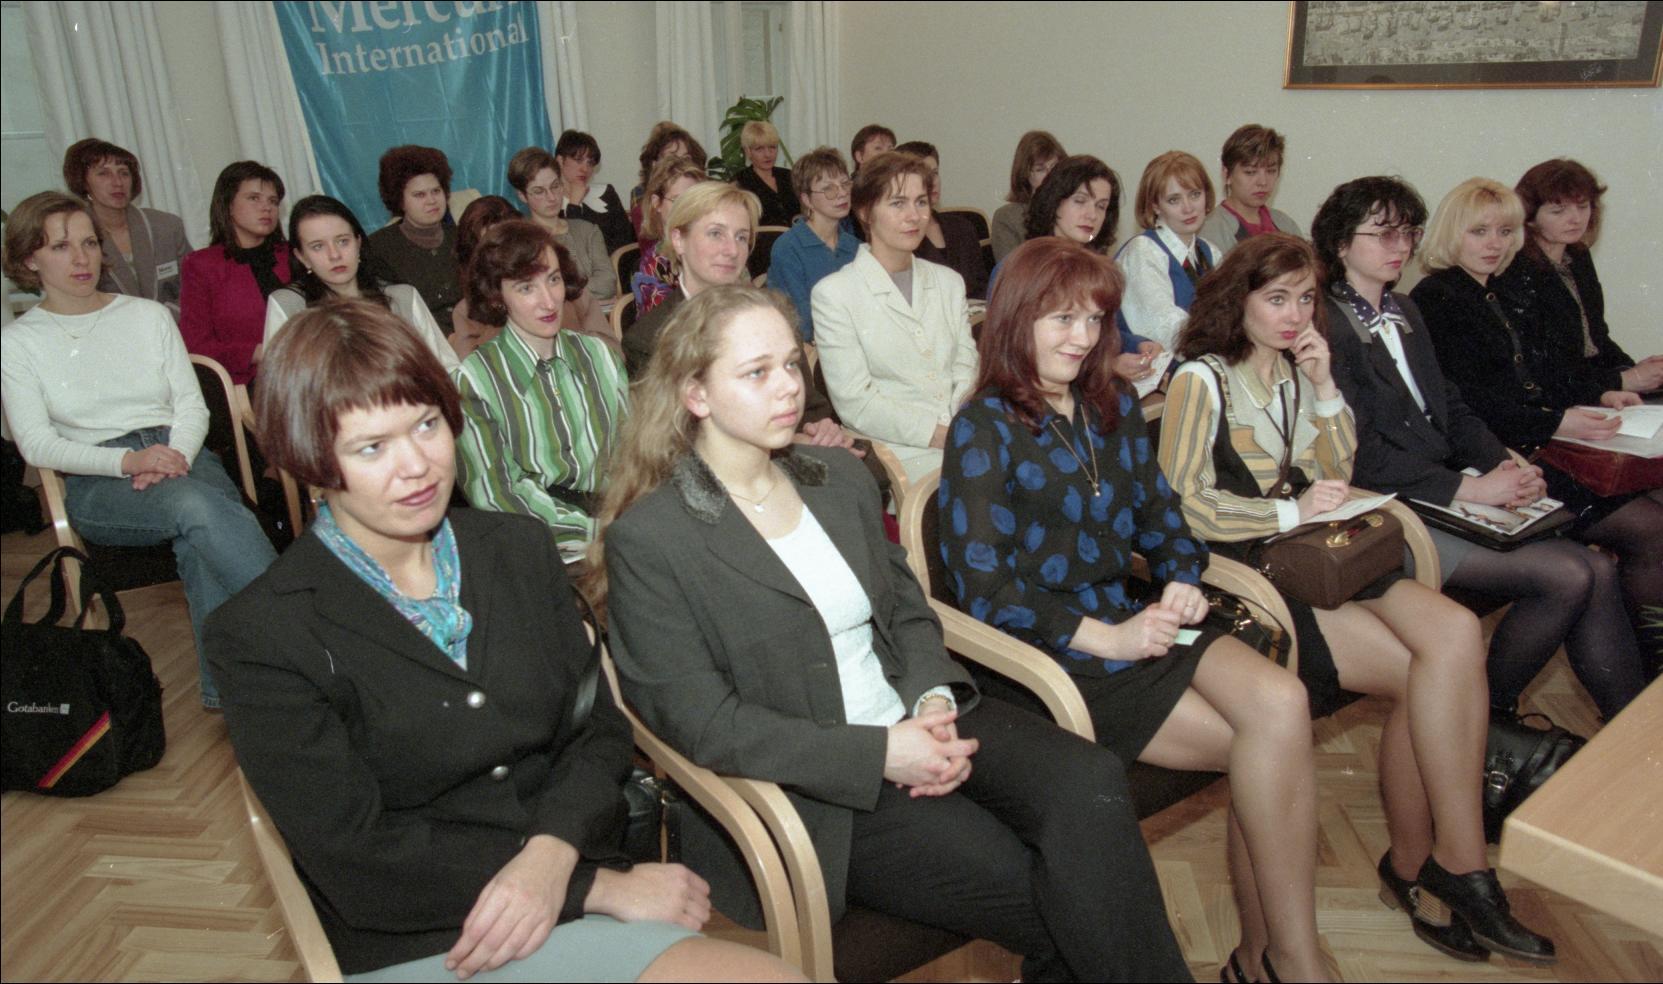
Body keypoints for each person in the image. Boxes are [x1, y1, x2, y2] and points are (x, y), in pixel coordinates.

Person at [590, 284, 1191, 982]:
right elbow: (703, 723)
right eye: (756, 372)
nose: (788, 387)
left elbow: (906, 610)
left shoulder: (837, 480)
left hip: (918, 712)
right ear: (695, 394)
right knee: (1051, 888)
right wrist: (880, 752)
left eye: (791, 364)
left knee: (1091, 780)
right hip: (822, 780)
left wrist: (932, 698)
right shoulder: (653, 539)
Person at [205, 297, 796, 982]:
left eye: (426, 424)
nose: (417, 465)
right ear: (312, 462)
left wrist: (551, 859)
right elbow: (354, 855)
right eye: (371, 447)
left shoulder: (516, 549)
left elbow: (597, 731)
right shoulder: (262, 633)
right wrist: (592, 888)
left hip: (570, 872)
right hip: (425, 931)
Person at [1158, 232, 1556, 965]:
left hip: (1317, 554)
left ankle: (1458, 862)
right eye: (1276, 299)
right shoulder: (1200, 380)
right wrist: (1288, 511)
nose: (1293, 315)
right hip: (1251, 566)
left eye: (1305, 299)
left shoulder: (1292, 369)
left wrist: (1323, 389)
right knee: (1421, 674)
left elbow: (1335, 469)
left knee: (1453, 635)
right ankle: (1424, 868)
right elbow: (1182, 504)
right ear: (1238, 300)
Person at [940, 237, 1330, 983]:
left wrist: (1181, 577)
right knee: (1270, 752)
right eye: (1061, 319)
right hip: (1052, 651)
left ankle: (1280, 955)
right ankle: (1280, 961)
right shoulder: (983, 426)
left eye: (1094, 319)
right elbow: (986, 589)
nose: (1081, 336)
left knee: (1283, 705)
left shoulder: (1110, 407)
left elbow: (1164, 520)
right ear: (1016, 320)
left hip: (1138, 616)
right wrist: (1108, 639)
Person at [1315, 176, 1643, 721]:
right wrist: (1470, 488)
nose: (1401, 247)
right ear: (1341, 243)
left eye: (1408, 233)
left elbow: (1451, 403)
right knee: (1570, 575)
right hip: (1386, 508)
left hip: (1440, 488)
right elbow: (1360, 456)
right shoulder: (1327, 327)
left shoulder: (1403, 310)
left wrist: (1502, 461)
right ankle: (1485, 715)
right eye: (1383, 234)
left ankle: (1628, 729)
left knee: (1597, 570)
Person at [2, 191, 276, 710]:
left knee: (200, 535)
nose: (81, 258)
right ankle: (308, 626)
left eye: (89, 243)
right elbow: (36, 444)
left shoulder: (148, 315)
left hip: (181, 452)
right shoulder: (17, 343)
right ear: (28, 259)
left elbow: (191, 404)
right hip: (101, 478)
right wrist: (129, 462)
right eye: (60, 246)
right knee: (198, 506)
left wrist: (174, 455)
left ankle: (233, 696)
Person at [1412, 178, 1663, 661]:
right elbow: (1470, 405)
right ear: (1450, 233)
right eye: (1479, 231)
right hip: (1499, 461)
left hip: (1536, 447)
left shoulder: (1494, 289)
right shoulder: (1437, 297)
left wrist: (1600, 393)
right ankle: (1650, 675)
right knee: (1648, 531)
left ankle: (1643, 682)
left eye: (1505, 232)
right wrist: (1557, 424)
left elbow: (1542, 376)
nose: (1495, 244)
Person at [620, 182, 851, 455]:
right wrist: (791, 440)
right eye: (716, 233)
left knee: (862, 470)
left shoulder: (773, 315)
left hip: (800, 450)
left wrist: (821, 427)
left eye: (741, 237)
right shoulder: (648, 339)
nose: (732, 250)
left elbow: (811, 407)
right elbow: (677, 440)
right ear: (679, 240)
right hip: (715, 469)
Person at [452, 220, 628, 566]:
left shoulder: (599, 356)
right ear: (497, 297)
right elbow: (497, 497)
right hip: (542, 548)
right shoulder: (473, 382)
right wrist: (604, 534)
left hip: (622, 523)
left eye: (553, 279)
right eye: (526, 288)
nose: (548, 301)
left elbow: (635, 454)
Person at [811, 152, 977, 481]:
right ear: (865, 212)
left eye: (921, 202)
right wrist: (940, 435)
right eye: (898, 203)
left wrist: (963, 423)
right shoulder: (835, 294)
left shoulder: (948, 282)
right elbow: (856, 403)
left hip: (964, 433)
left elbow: (966, 364)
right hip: (897, 452)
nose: (914, 216)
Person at [1496, 159, 1662, 398]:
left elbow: (1597, 338)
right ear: (1529, 217)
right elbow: (1543, 368)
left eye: (1583, 207)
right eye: (1558, 211)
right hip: (1558, 396)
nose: (1575, 219)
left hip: (1590, 384)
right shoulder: (1515, 270)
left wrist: (1636, 369)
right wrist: (1624, 379)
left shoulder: (1578, 256)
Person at [995, 156, 1162, 386]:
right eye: (1080, 201)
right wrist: (1108, 368)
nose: (1092, 215)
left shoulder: (1098, 269)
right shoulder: (1020, 269)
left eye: (1101, 206)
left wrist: (1138, 344)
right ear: (1054, 202)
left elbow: (1109, 332)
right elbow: (1014, 355)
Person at [264, 195, 458, 372]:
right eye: (318, 246)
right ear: (301, 256)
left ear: (358, 243)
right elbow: (280, 388)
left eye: (343, 241)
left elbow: (446, 369)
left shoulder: (402, 297)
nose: (334, 255)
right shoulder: (288, 305)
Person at [179, 161, 295, 385]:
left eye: (273, 201)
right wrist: (257, 352)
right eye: (254, 198)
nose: (267, 208)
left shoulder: (293, 254)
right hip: (246, 384)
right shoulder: (202, 265)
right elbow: (196, 346)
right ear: (228, 205)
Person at [61, 138, 190, 315]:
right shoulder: (73, 236)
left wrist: (162, 318)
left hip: (172, 323)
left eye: (124, 173)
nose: (117, 182)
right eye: (103, 174)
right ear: (83, 182)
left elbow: (195, 287)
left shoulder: (166, 226)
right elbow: (74, 300)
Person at [1116, 151, 1223, 350]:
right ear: (1155, 206)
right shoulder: (1143, 252)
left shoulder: (1210, 252)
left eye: (1195, 194)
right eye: (1174, 200)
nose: (1188, 208)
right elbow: (1167, 331)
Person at [507, 146, 618, 316]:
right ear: (522, 196)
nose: (551, 197)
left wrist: (561, 294)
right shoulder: (518, 240)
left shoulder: (587, 230)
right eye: (539, 191)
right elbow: (531, 295)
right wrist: (585, 299)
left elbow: (607, 284)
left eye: (555, 186)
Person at [363, 145, 463, 329]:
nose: (431, 201)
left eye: (436, 191)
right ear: (400, 201)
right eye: (419, 195)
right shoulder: (378, 248)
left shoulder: (463, 237)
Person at [768, 147, 860, 342]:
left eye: (845, 183)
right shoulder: (788, 248)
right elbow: (798, 320)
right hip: (810, 347)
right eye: (829, 188)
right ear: (807, 199)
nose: (842, 193)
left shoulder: (855, 247)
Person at [895, 141, 988, 299]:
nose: (933, 181)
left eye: (935, 173)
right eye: (924, 175)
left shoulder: (962, 227)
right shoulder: (899, 234)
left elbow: (982, 287)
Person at [1198, 125, 1304, 255]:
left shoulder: (1286, 225)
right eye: (1250, 172)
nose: (1263, 182)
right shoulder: (1211, 231)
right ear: (1227, 175)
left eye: (1271, 171)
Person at [449, 195, 521, 360]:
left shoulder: (550, 287)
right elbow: (472, 369)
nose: (501, 254)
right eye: (490, 248)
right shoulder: (467, 310)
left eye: (507, 242)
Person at [633, 156, 706, 315]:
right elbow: (668, 326)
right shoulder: (653, 265)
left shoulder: (719, 248)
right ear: (657, 203)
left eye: (693, 200)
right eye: (677, 199)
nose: (687, 208)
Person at [555, 129, 636, 256]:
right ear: (560, 161)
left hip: (614, 265)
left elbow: (626, 243)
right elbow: (571, 250)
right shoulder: (551, 203)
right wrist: (574, 205)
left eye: (590, 163)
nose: (585, 169)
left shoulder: (606, 193)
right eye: (578, 160)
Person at [991, 130, 1066, 263]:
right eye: (1040, 169)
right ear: (1025, 175)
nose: (1050, 175)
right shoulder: (1008, 217)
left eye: (1055, 167)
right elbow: (1009, 271)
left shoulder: (1074, 211)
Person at [629, 122, 708, 235]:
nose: (680, 163)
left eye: (686, 158)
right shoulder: (641, 199)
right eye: (672, 158)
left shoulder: (707, 193)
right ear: (654, 164)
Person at [732, 120, 796, 230]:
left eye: (772, 147)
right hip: (761, 239)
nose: (768, 154)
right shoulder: (740, 182)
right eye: (759, 149)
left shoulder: (790, 176)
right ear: (748, 151)